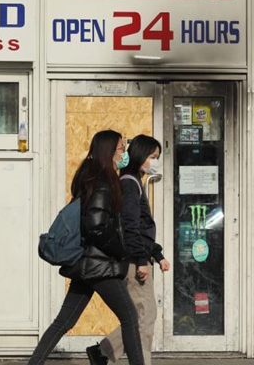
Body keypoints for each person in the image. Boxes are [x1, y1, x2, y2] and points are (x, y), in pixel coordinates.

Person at [27, 130, 145, 365]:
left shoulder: (93, 180)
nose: (123, 153)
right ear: (109, 152)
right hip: (100, 264)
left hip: (87, 263)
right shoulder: (103, 184)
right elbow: (97, 227)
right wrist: (121, 252)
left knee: (64, 321)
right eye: (121, 149)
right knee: (130, 317)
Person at [87, 135, 171, 365]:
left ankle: (103, 351)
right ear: (141, 155)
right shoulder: (130, 183)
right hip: (135, 261)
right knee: (145, 316)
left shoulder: (132, 181)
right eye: (152, 157)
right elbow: (130, 225)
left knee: (138, 316)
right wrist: (142, 259)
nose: (155, 162)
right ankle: (131, 359)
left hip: (138, 257)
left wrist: (157, 254)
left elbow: (140, 226)